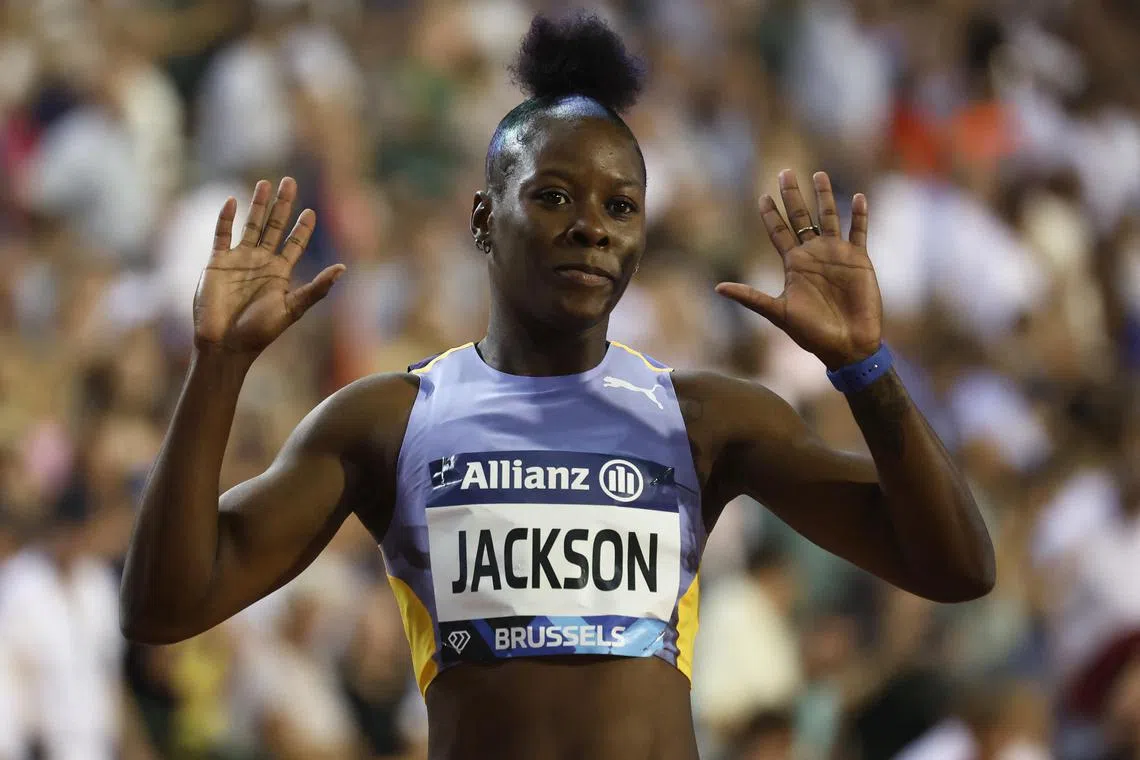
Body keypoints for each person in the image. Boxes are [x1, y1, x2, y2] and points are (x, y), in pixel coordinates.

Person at [120, 14, 995, 760]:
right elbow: (166, 606)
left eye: (621, 208)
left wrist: (867, 369)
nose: (590, 228)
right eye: (553, 197)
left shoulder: (703, 420)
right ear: (481, 219)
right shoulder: (390, 421)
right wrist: (218, 369)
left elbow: (955, 567)